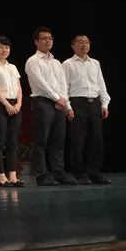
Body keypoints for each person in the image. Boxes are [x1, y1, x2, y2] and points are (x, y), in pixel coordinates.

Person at [24, 27, 77, 186]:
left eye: (50, 38)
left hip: (59, 104)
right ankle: (42, 175)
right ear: (36, 42)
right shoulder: (33, 61)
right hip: (43, 102)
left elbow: (63, 84)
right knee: (41, 141)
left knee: (58, 141)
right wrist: (57, 98)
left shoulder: (56, 62)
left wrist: (67, 105)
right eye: (44, 38)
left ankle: (59, 173)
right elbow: (42, 84)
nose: (48, 41)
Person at [62, 34, 112, 184]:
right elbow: (64, 87)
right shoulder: (68, 64)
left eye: (86, 42)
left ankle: (95, 172)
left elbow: (101, 85)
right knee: (78, 140)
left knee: (97, 140)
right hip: (77, 102)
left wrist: (104, 104)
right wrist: (68, 107)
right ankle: (79, 173)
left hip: (94, 103)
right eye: (80, 42)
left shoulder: (95, 63)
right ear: (73, 46)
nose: (84, 44)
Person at [0, 36, 24, 187]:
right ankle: (1, 177)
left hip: (15, 104)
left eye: (6, 47)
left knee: (12, 142)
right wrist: (7, 104)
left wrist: (19, 103)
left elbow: (19, 87)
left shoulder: (12, 67)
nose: (4, 50)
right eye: (0, 47)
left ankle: (13, 176)